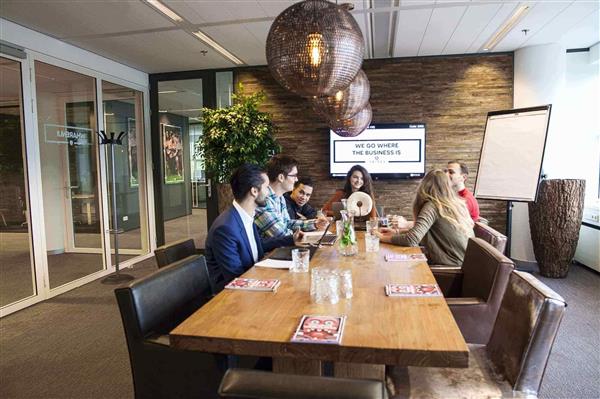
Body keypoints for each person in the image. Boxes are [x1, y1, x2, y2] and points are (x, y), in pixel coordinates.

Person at [205, 163, 299, 290]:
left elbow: (255, 245)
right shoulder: (225, 228)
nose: (269, 193)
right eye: (266, 187)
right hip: (232, 298)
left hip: (254, 281)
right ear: (254, 191)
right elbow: (236, 278)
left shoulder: (245, 215)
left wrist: (292, 239)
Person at [377, 169, 474, 266]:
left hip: (451, 267)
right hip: (465, 264)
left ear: (424, 185)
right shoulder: (456, 203)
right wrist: (397, 232)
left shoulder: (434, 206)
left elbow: (411, 240)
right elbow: (424, 231)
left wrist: (380, 237)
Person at [255, 154, 327, 238]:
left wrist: (314, 223)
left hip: (281, 247)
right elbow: (282, 234)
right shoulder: (264, 200)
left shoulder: (280, 197)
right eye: (294, 176)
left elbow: (287, 223)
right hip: (272, 250)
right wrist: (306, 236)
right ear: (281, 177)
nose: (296, 179)